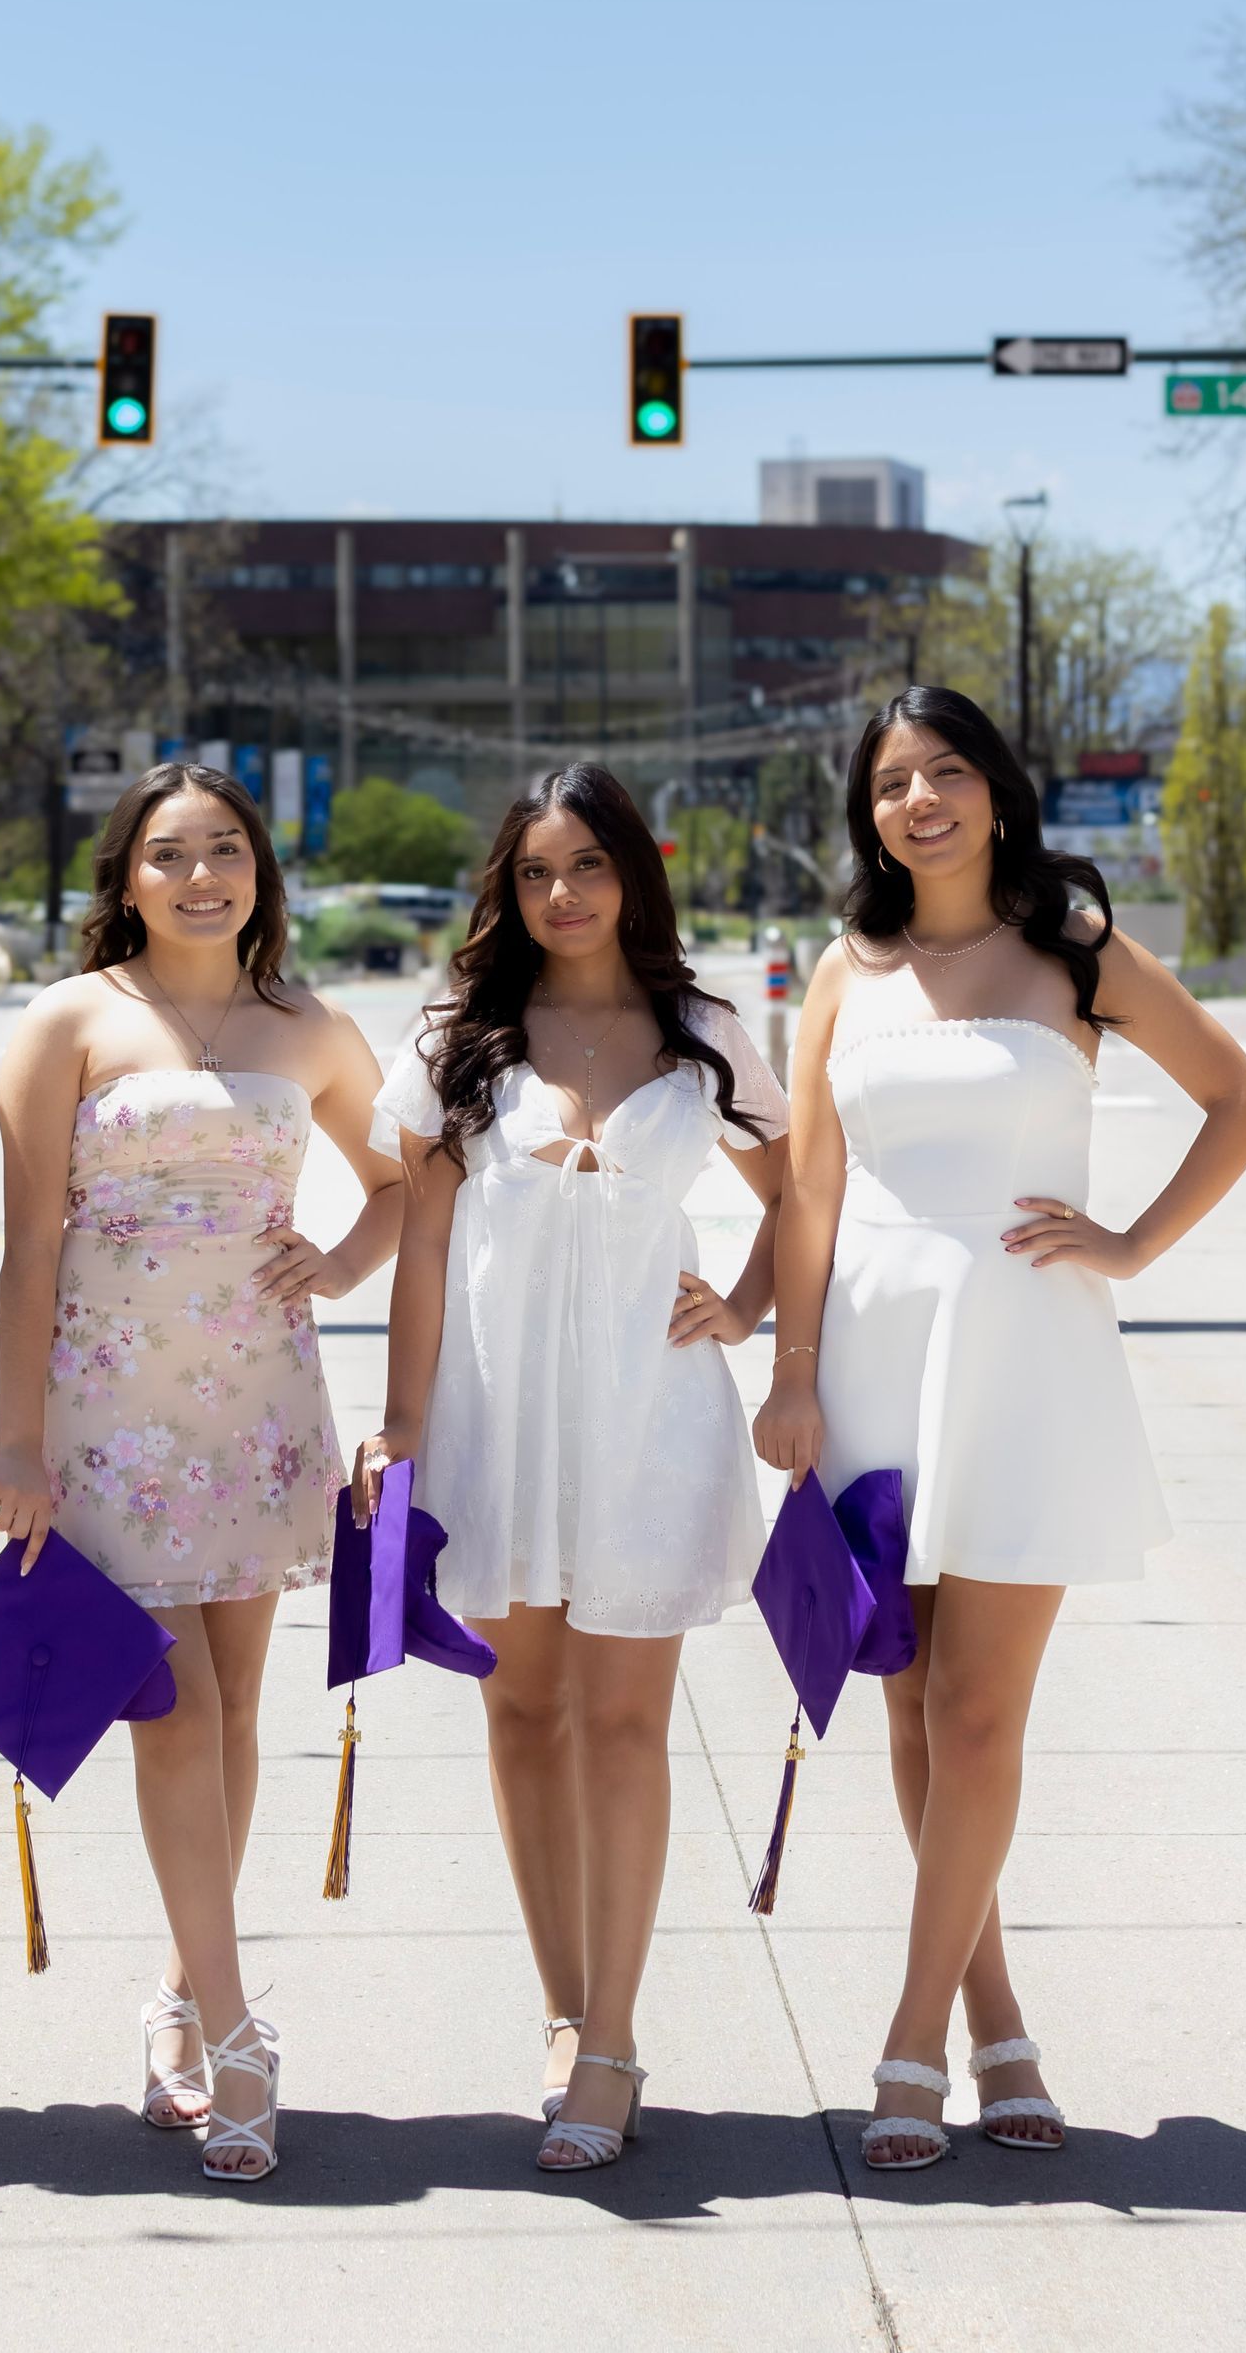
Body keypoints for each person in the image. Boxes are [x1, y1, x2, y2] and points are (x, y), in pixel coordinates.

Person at [754, 684, 1246, 2170]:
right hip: (872, 1354)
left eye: (946, 772)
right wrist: (792, 1372)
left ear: (996, 789)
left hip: (1026, 1357)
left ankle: (912, 2041)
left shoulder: (1076, 947)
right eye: (891, 782)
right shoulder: (846, 973)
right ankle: (997, 2016)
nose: (919, 800)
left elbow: (1240, 1101)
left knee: (982, 1713)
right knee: (915, 1707)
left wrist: (1130, 1244)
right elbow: (808, 1191)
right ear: (869, 814)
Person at [361, 764, 787, 2173]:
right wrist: (403, 1422)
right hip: (496, 1417)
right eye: (538, 871)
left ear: (633, 875)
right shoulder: (462, 1038)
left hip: (649, 1418)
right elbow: (421, 1251)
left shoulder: (702, 1030)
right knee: (522, 1714)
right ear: (511, 887)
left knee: (624, 1724)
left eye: (588, 867)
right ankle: (559, 2008)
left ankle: (612, 2040)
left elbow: (803, 1193)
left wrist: (744, 1301)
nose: (564, 895)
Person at [0, 762, 403, 2184]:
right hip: (111, 1407)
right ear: (129, 874)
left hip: (264, 1402)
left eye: (227, 849)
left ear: (260, 873)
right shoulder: (71, 1019)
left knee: (234, 1718)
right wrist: (16, 1436)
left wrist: (341, 1259)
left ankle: (176, 1990)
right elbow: (27, 1241)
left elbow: (408, 1177)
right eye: (171, 853)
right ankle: (234, 2026)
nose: (202, 874)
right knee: (171, 1704)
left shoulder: (311, 1024)